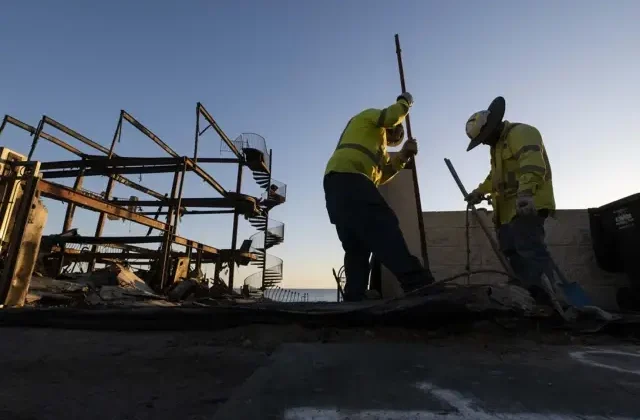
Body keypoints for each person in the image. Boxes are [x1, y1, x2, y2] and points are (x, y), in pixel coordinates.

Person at [323, 92, 435, 302]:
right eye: (395, 136)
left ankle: (354, 296)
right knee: (384, 226)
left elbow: (382, 176)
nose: (392, 141)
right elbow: (392, 115)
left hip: (336, 185)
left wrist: (403, 156)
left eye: (396, 142)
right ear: (392, 127)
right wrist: (406, 102)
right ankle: (418, 284)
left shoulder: (377, 148)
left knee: (356, 245)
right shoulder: (370, 117)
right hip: (350, 178)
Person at [464, 96, 558, 301]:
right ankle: (527, 299)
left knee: (530, 251)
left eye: (485, 138)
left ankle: (549, 301)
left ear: (494, 126)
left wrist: (525, 194)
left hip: (527, 203)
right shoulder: (497, 147)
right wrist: (479, 192)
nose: (484, 143)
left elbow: (532, 164)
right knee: (512, 255)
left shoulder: (522, 133)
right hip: (506, 212)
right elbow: (494, 177)